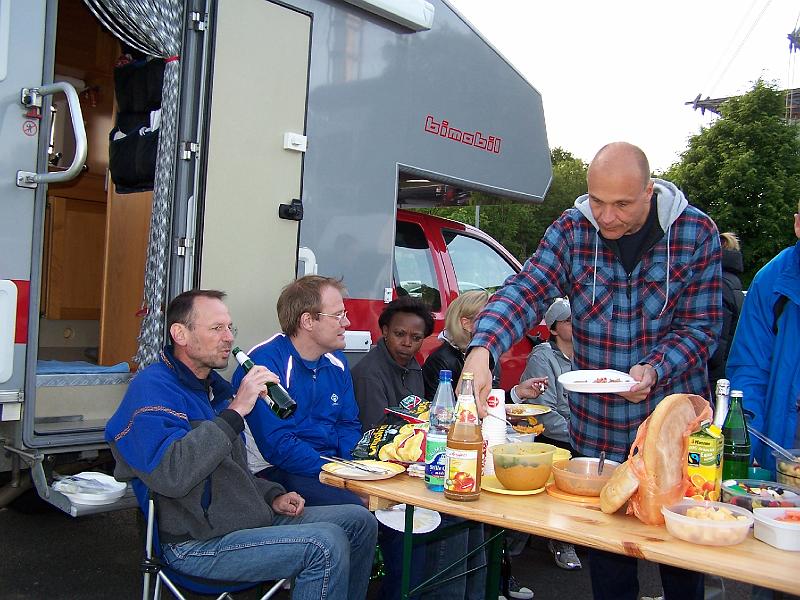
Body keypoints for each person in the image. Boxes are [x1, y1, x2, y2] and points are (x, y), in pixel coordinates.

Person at [462, 142, 723, 600]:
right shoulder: (572, 232)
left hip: (671, 429)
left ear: (648, 190)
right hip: (599, 428)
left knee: (681, 557)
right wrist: (483, 349)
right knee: (606, 556)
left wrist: (653, 369)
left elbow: (701, 328)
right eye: (597, 201)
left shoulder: (695, 233)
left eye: (621, 204)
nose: (606, 216)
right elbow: (526, 289)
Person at [105, 289, 377, 600]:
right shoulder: (153, 390)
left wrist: (272, 494)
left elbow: (230, 473)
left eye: (229, 328)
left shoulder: (211, 389)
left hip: (243, 519)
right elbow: (172, 474)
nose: (229, 338)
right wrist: (235, 412)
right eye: (216, 329)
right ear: (180, 333)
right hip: (196, 543)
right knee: (323, 543)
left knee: (360, 521)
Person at [231, 275, 364, 507]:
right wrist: (337, 474)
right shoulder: (264, 364)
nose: (347, 323)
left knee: (393, 500)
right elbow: (278, 446)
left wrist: (354, 470)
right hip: (274, 472)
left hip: (329, 466)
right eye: (337, 315)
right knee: (358, 507)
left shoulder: (337, 362)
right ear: (308, 321)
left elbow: (347, 424)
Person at [728, 202, 800, 473]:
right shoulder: (771, 281)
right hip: (784, 455)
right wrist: (746, 450)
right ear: (798, 224)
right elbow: (749, 372)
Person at [512, 297, 581, 571]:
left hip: (579, 430)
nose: (577, 325)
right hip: (554, 435)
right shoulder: (543, 356)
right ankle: (561, 539)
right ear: (553, 328)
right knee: (575, 459)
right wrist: (581, 434)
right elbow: (542, 412)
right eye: (569, 321)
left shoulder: (587, 354)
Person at [351, 296, 434, 431]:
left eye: (416, 338)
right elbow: (373, 430)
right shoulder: (369, 375)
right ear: (385, 331)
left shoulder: (413, 366)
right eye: (399, 334)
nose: (407, 343)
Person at [422, 290, 488, 399]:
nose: (496, 325)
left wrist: (516, 393)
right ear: (467, 324)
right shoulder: (441, 361)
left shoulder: (486, 353)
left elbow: (493, 404)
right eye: (488, 319)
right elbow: (436, 410)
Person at [708, 231, 745, 393]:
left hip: (715, 376)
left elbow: (717, 340)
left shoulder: (718, 284)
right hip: (730, 369)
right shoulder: (734, 282)